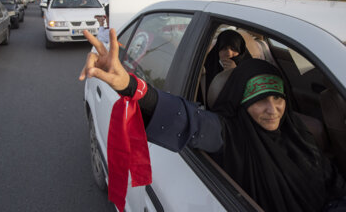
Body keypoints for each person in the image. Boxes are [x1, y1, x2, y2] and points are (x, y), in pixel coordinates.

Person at [79, 29, 346, 212]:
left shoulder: (299, 133)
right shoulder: (230, 134)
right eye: (259, 101)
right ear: (242, 104)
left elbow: (332, 183)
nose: (272, 110)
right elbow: (185, 119)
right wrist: (129, 85)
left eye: (278, 99)